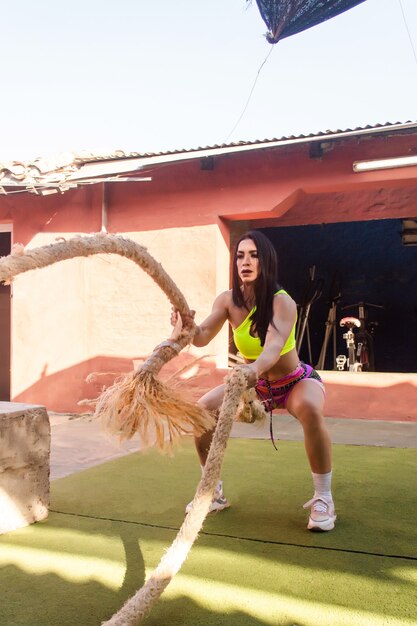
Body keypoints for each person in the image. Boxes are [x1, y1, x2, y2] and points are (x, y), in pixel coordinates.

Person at [170, 230, 336, 532]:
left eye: (254, 255)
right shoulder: (227, 301)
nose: (245, 262)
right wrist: (185, 326)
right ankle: (211, 491)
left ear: (267, 261)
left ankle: (323, 498)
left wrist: (251, 371)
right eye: (240, 255)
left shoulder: (283, 302)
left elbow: (272, 348)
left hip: (294, 381)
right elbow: (202, 337)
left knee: (311, 410)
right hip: (254, 386)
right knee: (203, 411)